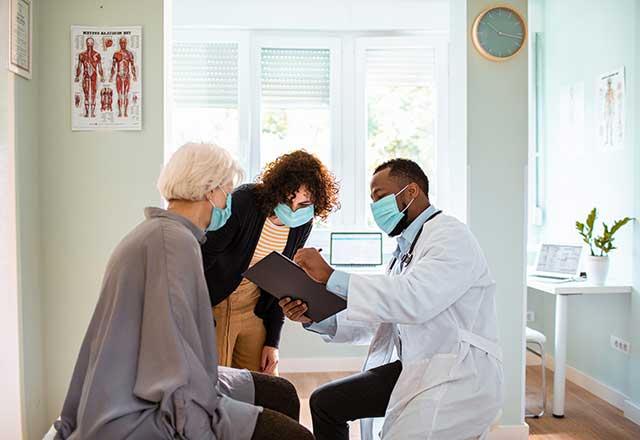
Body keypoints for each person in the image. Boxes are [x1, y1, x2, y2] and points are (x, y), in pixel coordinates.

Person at [53, 143, 313, 440]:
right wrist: (203, 429)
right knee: (296, 436)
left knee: (281, 392)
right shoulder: (173, 245)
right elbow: (172, 371)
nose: (229, 200)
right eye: (227, 192)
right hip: (143, 409)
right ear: (210, 191)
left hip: (158, 380)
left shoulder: (164, 234)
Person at [280, 158, 503, 440]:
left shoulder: (450, 235)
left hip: (458, 374)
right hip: (417, 365)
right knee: (326, 403)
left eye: (380, 197)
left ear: (412, 192)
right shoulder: (405, 251)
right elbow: (380, 318)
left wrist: (330, 276)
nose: (375, 209)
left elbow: (414, 300)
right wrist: (315, 316)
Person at [202, 150, 339, 376]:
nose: (294, 209)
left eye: (304, 203)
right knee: (217, 385)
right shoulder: (245, 202)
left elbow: (282, 280)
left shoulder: (303, 223)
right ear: (276, 189)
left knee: (264, 383)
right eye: (288, 199)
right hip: (216, 304)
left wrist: (273, 342)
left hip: (255, 308)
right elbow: (204, 257)